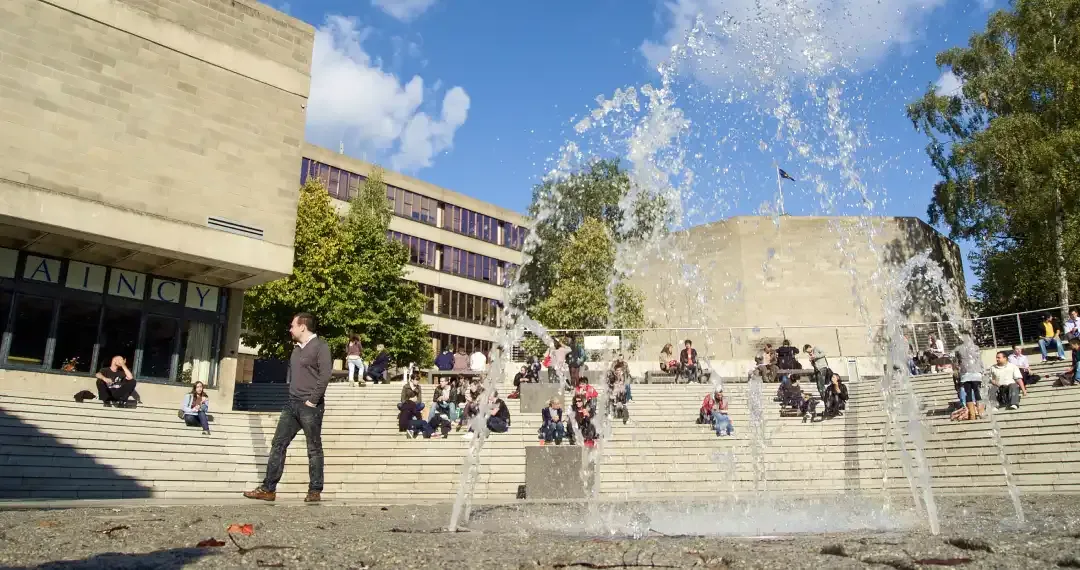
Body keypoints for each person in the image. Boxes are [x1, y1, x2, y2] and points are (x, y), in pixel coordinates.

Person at [244, 312, 331, 503]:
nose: (290, 329)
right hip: (292, 404)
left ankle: (315, 490)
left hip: (311, 406)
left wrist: (313, 400)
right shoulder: (296, 350)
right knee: (278, 443)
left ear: (303, 326)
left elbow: (325, 375)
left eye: (292, 325)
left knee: (313, 448)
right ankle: (268, 489)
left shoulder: (321, 347)